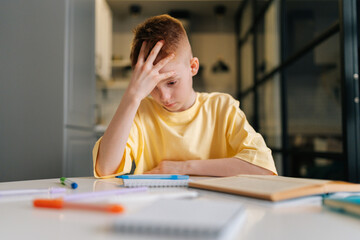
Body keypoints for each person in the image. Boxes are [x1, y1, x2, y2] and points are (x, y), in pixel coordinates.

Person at [93, 14, 277, 178]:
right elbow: (105, 168)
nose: (164, 96)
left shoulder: (222, 107)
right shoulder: (140, 112)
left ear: (193, 67)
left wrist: (182, 168)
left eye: (172, 82)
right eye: (151, 87)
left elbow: (263, 167)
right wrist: (132, 97)